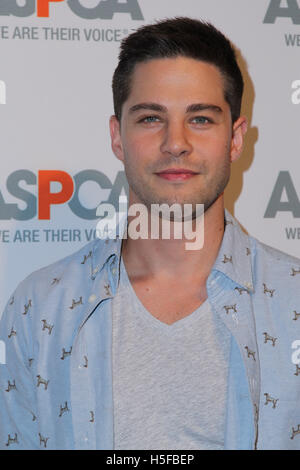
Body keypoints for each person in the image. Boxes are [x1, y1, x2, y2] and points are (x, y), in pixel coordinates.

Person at [1, 17, 300, 451]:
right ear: (117, 137)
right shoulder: (40, 308)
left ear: (235, 139)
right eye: (149, 118)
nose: (175, 143)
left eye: (200, 119)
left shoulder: (293, 302)